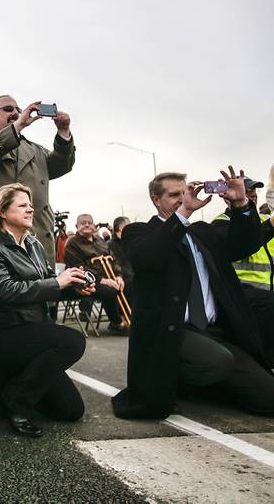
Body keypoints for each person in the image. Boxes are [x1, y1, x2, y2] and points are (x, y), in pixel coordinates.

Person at [112, 169, 274, 420]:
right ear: (156, 199)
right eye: (174, 194)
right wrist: (183, 213)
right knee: (217, 361)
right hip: (174, 333)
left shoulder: (202, 232)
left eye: (185, 192)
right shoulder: (139, 232)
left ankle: (210, 383)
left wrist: (241, 203)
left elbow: (245, 243)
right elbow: (149, 257)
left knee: (268, 397)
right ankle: (176, 379)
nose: (181, 198)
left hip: (214, 331)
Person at [0, 183, 92, 437]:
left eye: (31, 205)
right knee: (72, 341)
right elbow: (6, 291)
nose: (31, 209)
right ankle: (14, 403)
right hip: (0, 335)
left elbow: (49, 282)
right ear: (2, 211)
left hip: (32, 332)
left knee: (70, 410)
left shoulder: (34, 245)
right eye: (23, 205)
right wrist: (57, 282)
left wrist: (75, 288)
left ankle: (0, 381)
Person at [0, 95, 76, 261]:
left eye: (18, 110)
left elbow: (62, 165)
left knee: (43, 286)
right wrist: (17, 127)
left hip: (38, 239)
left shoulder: (35, 150)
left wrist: (63, 132)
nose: (15, 113)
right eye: (8, 109)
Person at [212, 176, 274, 360]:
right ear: (227, 196)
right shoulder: (221, 223)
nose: (253, 194)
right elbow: (243, 244)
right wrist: (270, 226)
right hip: (244, 303)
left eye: (254, 190)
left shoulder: (264, 219)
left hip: (269, 304)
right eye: (247, 191)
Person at [64, 214, 127, 333]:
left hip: (107, 277)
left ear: (94, 225)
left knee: (127, 284)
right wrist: (101, 280)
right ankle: (116, 323)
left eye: (89, 222)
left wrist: (119, 276)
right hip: (84, 282)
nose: (87, 224)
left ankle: (128, 317)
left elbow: (113, 259)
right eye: (83, 223)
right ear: (77, 226)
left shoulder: (100, 241)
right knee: (109, 290)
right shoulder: (72, 243)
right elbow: (78, 267)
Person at [109, 216, 134, 304]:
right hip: (121, 276)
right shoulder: (111, 244)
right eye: (129, 225)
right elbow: (117, 264)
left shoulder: (129, 241)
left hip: (131, 273)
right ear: (121, 228)